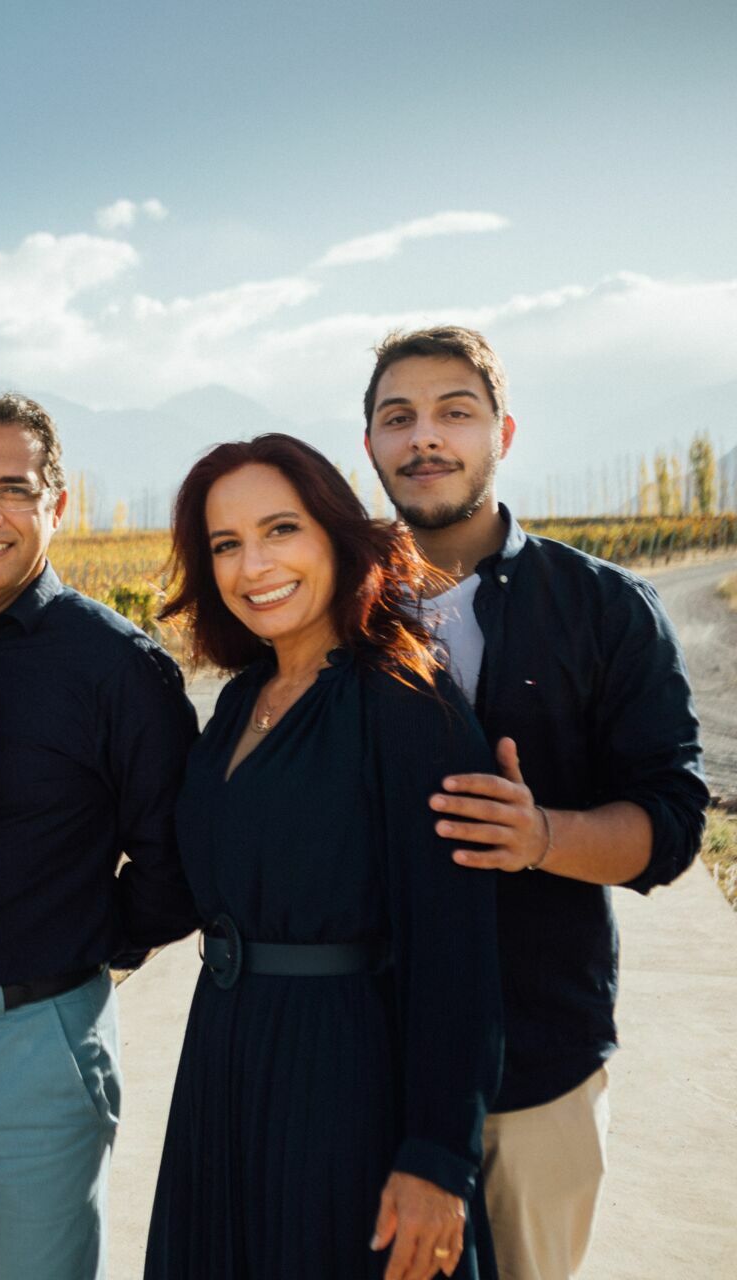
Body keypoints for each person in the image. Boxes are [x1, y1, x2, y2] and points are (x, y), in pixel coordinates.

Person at [362, 326, 709, 1280]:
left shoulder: (604, 608)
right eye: (399, 418)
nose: (425, 438)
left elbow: (673, 822)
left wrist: (542, 835)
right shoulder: (331, 608)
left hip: (538, 1059)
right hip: (361, 1062)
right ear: (372, 448)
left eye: (454, 413)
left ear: (503, 433)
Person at [146, 433, 503, 1280]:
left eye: (280, 530)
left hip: (345, 1078)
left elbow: (458, 948)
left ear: (338, 537)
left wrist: (436, 1156)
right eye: (225, 545)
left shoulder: (406, 701)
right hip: (225, 1061)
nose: (253, 564)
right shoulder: (240, 703)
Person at [0, 393, 198, 1279]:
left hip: (34, 1046)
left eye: (13, 489)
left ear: (58, 503)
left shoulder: (117, 667)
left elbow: (175, 861)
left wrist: (84, 951)